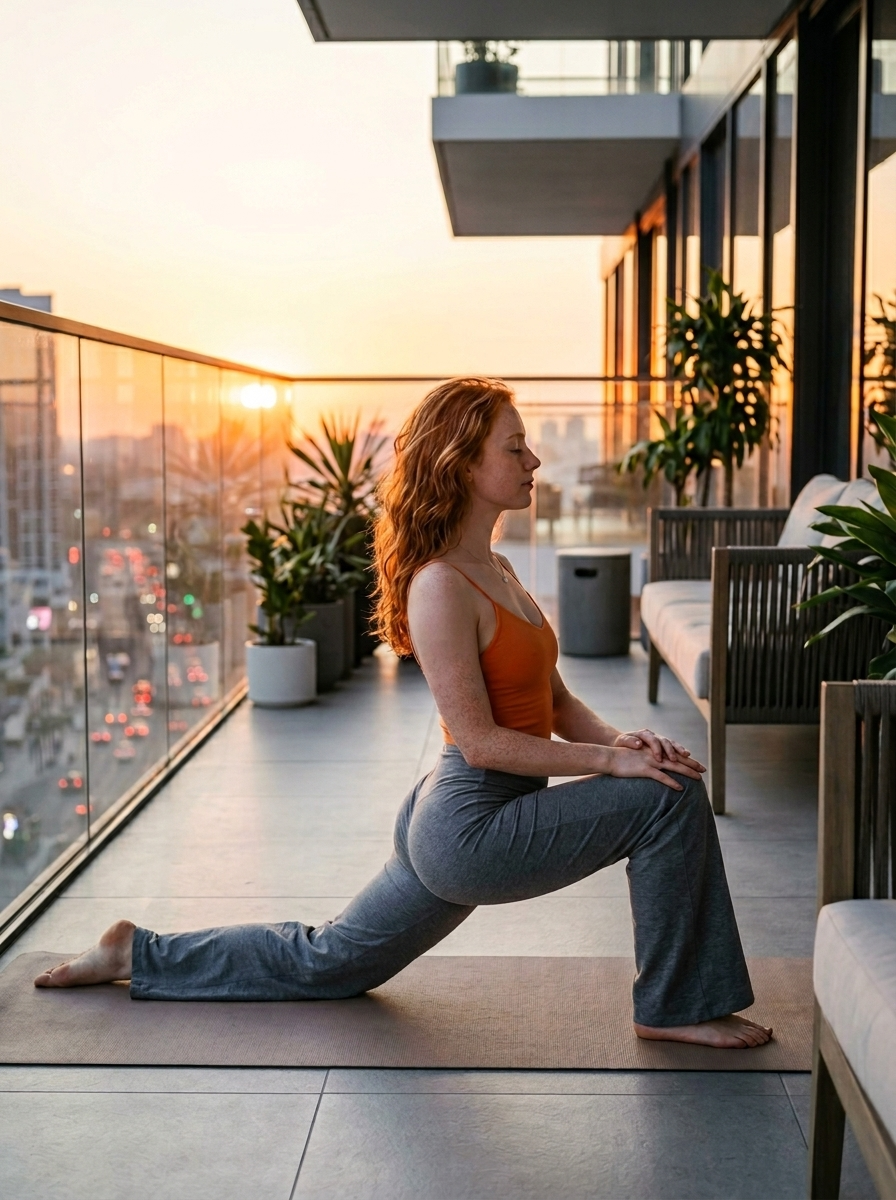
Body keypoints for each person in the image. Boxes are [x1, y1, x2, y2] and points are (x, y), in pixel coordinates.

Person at [35, 378, 770, 1050]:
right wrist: (616, 765)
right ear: (459, 464)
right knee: (668, 804)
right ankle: (675, 1005)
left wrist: (628, 742)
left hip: (459, 815)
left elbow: (554, 702)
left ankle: (136, 950)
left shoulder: (499, 569)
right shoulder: (442, 586)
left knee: (330, 963)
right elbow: (481, 743)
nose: (534, 460)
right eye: (513, 448)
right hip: (469, 826)